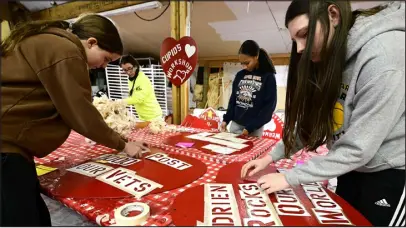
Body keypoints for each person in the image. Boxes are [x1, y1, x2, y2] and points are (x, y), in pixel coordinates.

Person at [241, 1, 405, 226]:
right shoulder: (331, 54)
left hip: (387, 174)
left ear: (333, 15)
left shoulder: (384, 55)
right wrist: (270, 157)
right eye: (295, 40)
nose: (299, 49)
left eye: (305, 34)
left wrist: (289, 178)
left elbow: (360, 148)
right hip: (349, 168)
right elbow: (312, 123)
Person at [1, 14, 149, 226]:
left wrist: (121, 138)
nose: (104, 66)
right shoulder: (66, 51)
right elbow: (80, 112)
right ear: (91, 43)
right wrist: (123, 145)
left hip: (13, 147)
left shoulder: (50, 41)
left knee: (35, 217)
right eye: (106, 58)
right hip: (6, 149)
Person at [220, 40, 277, 137]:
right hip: (235, 125)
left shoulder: (268, 77)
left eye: (247, 63)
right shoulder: (239, 75)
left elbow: (269, 107)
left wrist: (250, 127)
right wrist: (226, 120)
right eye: (242, 63)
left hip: (254, 129)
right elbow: (233, 100)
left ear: (256, 57)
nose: (244, 67)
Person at [119, 55, 163, 121]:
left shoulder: (142, 79)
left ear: (135, 66)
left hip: (154, 117)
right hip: (143, 117)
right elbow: (132, 96)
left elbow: (138, 99)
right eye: (125, 70)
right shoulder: (131, 79)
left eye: (130, 68)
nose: (128, 72)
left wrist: (121, 102)